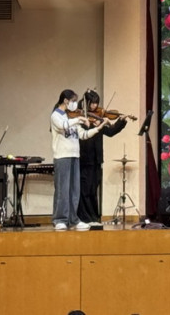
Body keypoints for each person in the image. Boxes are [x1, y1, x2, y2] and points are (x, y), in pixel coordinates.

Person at [51, 89, 110, 231]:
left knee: (74, 190)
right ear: (66, 100)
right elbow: (63, 126)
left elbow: (83, 135)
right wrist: (80, 119)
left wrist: (99, 127)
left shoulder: (72, 117)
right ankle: (60, 219)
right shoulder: (56, 115)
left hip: (75, 155)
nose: (75, 104)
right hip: (62, 156)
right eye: (73, 101)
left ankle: (73, 219)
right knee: (62, 189)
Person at [77, 89, 128, 226]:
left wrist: (121, 121)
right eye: (92, 103)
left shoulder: (98, 118)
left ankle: (94, 217)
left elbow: (110, 132)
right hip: (84, 159)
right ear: (86, 103)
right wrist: (91, 124)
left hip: (97, 159)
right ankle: (84, 218)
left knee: (93, 190)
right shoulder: (80, 118)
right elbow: (82, 135)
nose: (95, 106)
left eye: (96, 103)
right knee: (85, 190)